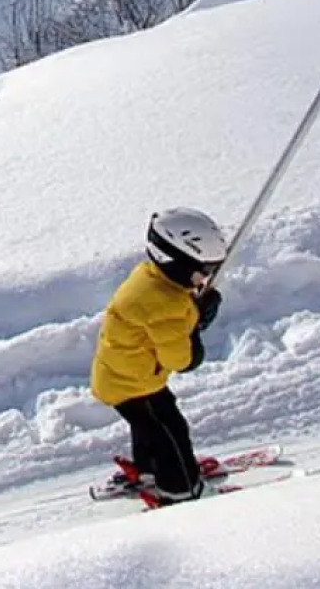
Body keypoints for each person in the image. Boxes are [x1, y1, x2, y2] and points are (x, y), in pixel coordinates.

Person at [90, 207, 227, 507]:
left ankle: (151, 470)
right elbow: (180, 359)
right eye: (203, 271)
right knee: (170, 430)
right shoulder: (165, 305)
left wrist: (193, 311)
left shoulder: (152, 278)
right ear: (176, 264)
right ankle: (181, 488)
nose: (206, 278)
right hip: (132, 382)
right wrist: (195, 330)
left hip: (128, 378)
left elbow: (168, 314)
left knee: (151, 424)